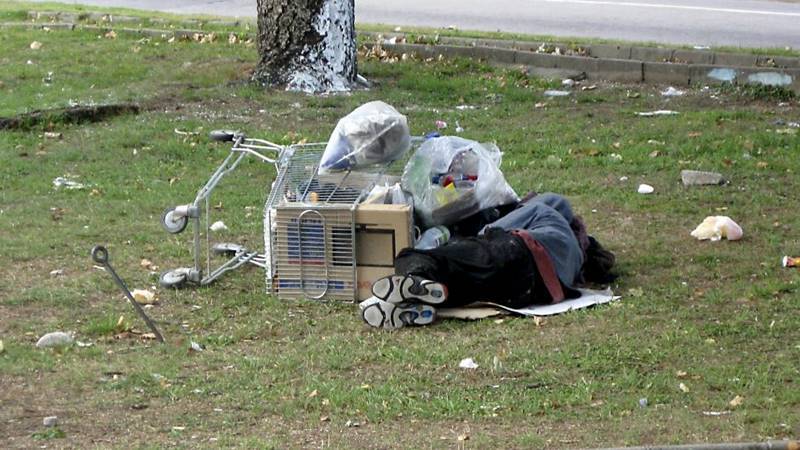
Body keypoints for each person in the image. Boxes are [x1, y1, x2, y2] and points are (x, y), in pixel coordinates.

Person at [359, 193, 615, 329]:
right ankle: (412, 307)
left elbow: (489, 231)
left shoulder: (547, 214)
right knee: (463, 284)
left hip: (519, 254)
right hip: (528, 294)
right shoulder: (574, 262)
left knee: (414, 256)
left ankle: (415, 279)